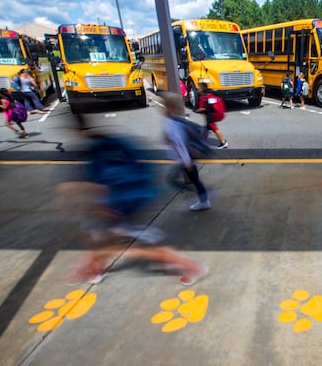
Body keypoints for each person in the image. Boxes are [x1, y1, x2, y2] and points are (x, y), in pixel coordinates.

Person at [58, 117, 209, 286]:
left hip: (121, 204)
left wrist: (101, 206)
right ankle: (92, 269)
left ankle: (192, 266)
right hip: (136, 198)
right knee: (101, 237)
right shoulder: (115, 141)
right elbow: (144, 166)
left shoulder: (95, 151)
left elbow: (100, 183)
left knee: (130, 245)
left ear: (77, 129)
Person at [163, 93, 212, 211]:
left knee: (175, 180)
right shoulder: (176, 120)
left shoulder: (171, 123)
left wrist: (187, 161)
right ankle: (203, 197)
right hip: (186, 157)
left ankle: (204, 198)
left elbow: (179, 143)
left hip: (185, 158)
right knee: (193, 179)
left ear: (170, 108)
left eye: (165, 106)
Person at [194, 82, 228, 149]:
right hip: (215, 113)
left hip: (211, 115)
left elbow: (203, 108)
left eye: (199, 88)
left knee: (214, 129)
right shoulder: (210, 94)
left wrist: (195, 110)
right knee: (207, 128)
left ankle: (223, 142)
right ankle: (202, 142)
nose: (198, 89)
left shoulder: (203, 97)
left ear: (202, 89)